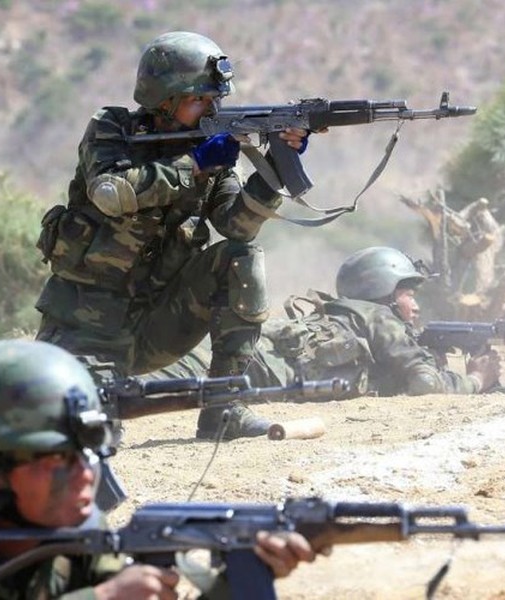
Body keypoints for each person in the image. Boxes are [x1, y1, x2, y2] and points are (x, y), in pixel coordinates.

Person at [0, 339, 319, 598]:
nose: (86, 476)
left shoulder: (73, 524)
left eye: (87, 455)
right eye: (59, 460)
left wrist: (236, 579)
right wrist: (105, 597)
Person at [34, 31, 312, 440]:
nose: (212, 109)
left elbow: (236, 225)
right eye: (200, 99)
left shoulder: (211, 152)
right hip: (84, 330)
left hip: (156, 325)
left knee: (241, 256)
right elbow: (111, 192)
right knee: (92, 432)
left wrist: (274, 168)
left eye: (216, 100)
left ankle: (224, 409)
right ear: (164, 99)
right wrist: (194, 164)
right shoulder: (112, 128)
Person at [152, 246, 501, 397]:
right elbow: (425, 385)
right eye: (409, 293)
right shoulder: (378, 316)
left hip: (234, 359)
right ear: (384, 290)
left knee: (145, 382)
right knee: (141, 388)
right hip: (245, 368)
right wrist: (475, 380)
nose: (417, 305)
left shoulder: (346, 315)